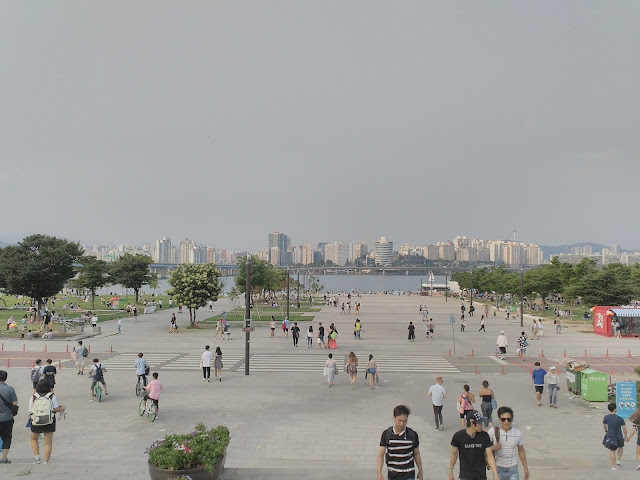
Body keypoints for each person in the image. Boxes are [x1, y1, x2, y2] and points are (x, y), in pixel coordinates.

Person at [377, 405, 423, 480]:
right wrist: (379, 473)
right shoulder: (387, 434)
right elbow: (381, 454)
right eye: (399, 420)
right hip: (393, 475)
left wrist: (420, 471)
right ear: (394, 418)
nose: (402, 424)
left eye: (404, 421)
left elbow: (416, 454)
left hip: (409, 475)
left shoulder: (412, 434)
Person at [449, 410, 498, 480]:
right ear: (472, 423)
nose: (482, 425)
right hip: (465, 476)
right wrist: (451, 472)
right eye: (479, 423)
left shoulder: (484, 436)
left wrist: (495, 474)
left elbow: (489, 455)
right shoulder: (459, 436)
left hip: (481, 476)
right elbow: (454, 454)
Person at [29, 379, 65, 465]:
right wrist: (62, 408)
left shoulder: (33, 397)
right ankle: (46, 461)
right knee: (48, 443)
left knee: (34, 439)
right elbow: (55, 409)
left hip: (36, 420)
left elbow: (30, 411)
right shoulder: (51, 396)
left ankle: (37, 458)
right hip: (49, 420)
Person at [489, 406, 530, 480]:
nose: (506, 422)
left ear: (512, 419)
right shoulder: (492, 431)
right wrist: (493, 448)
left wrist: (525, 468)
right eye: (503, 419)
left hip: (513, 469)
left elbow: (521, 450)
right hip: (498, 469)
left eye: (509, 419)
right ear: (499, 419)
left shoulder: (517, 433)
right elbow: (485, 448)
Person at [0, 370, 19, 464]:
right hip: (7, 418)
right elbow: (15, 403)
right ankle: (4, 458)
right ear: (5, 378)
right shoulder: (10, 389)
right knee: (6, 437)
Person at [604, 403, 627, 470]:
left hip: (611, 436)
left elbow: (604, 425)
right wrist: (625, 435)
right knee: (621, 447)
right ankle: (618, 460)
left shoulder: (606, 417)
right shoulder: (620, 418)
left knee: (612, 450)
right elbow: (624, 428)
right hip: (619, 436)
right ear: (615, 409)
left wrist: (606, 430)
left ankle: (613, 467)